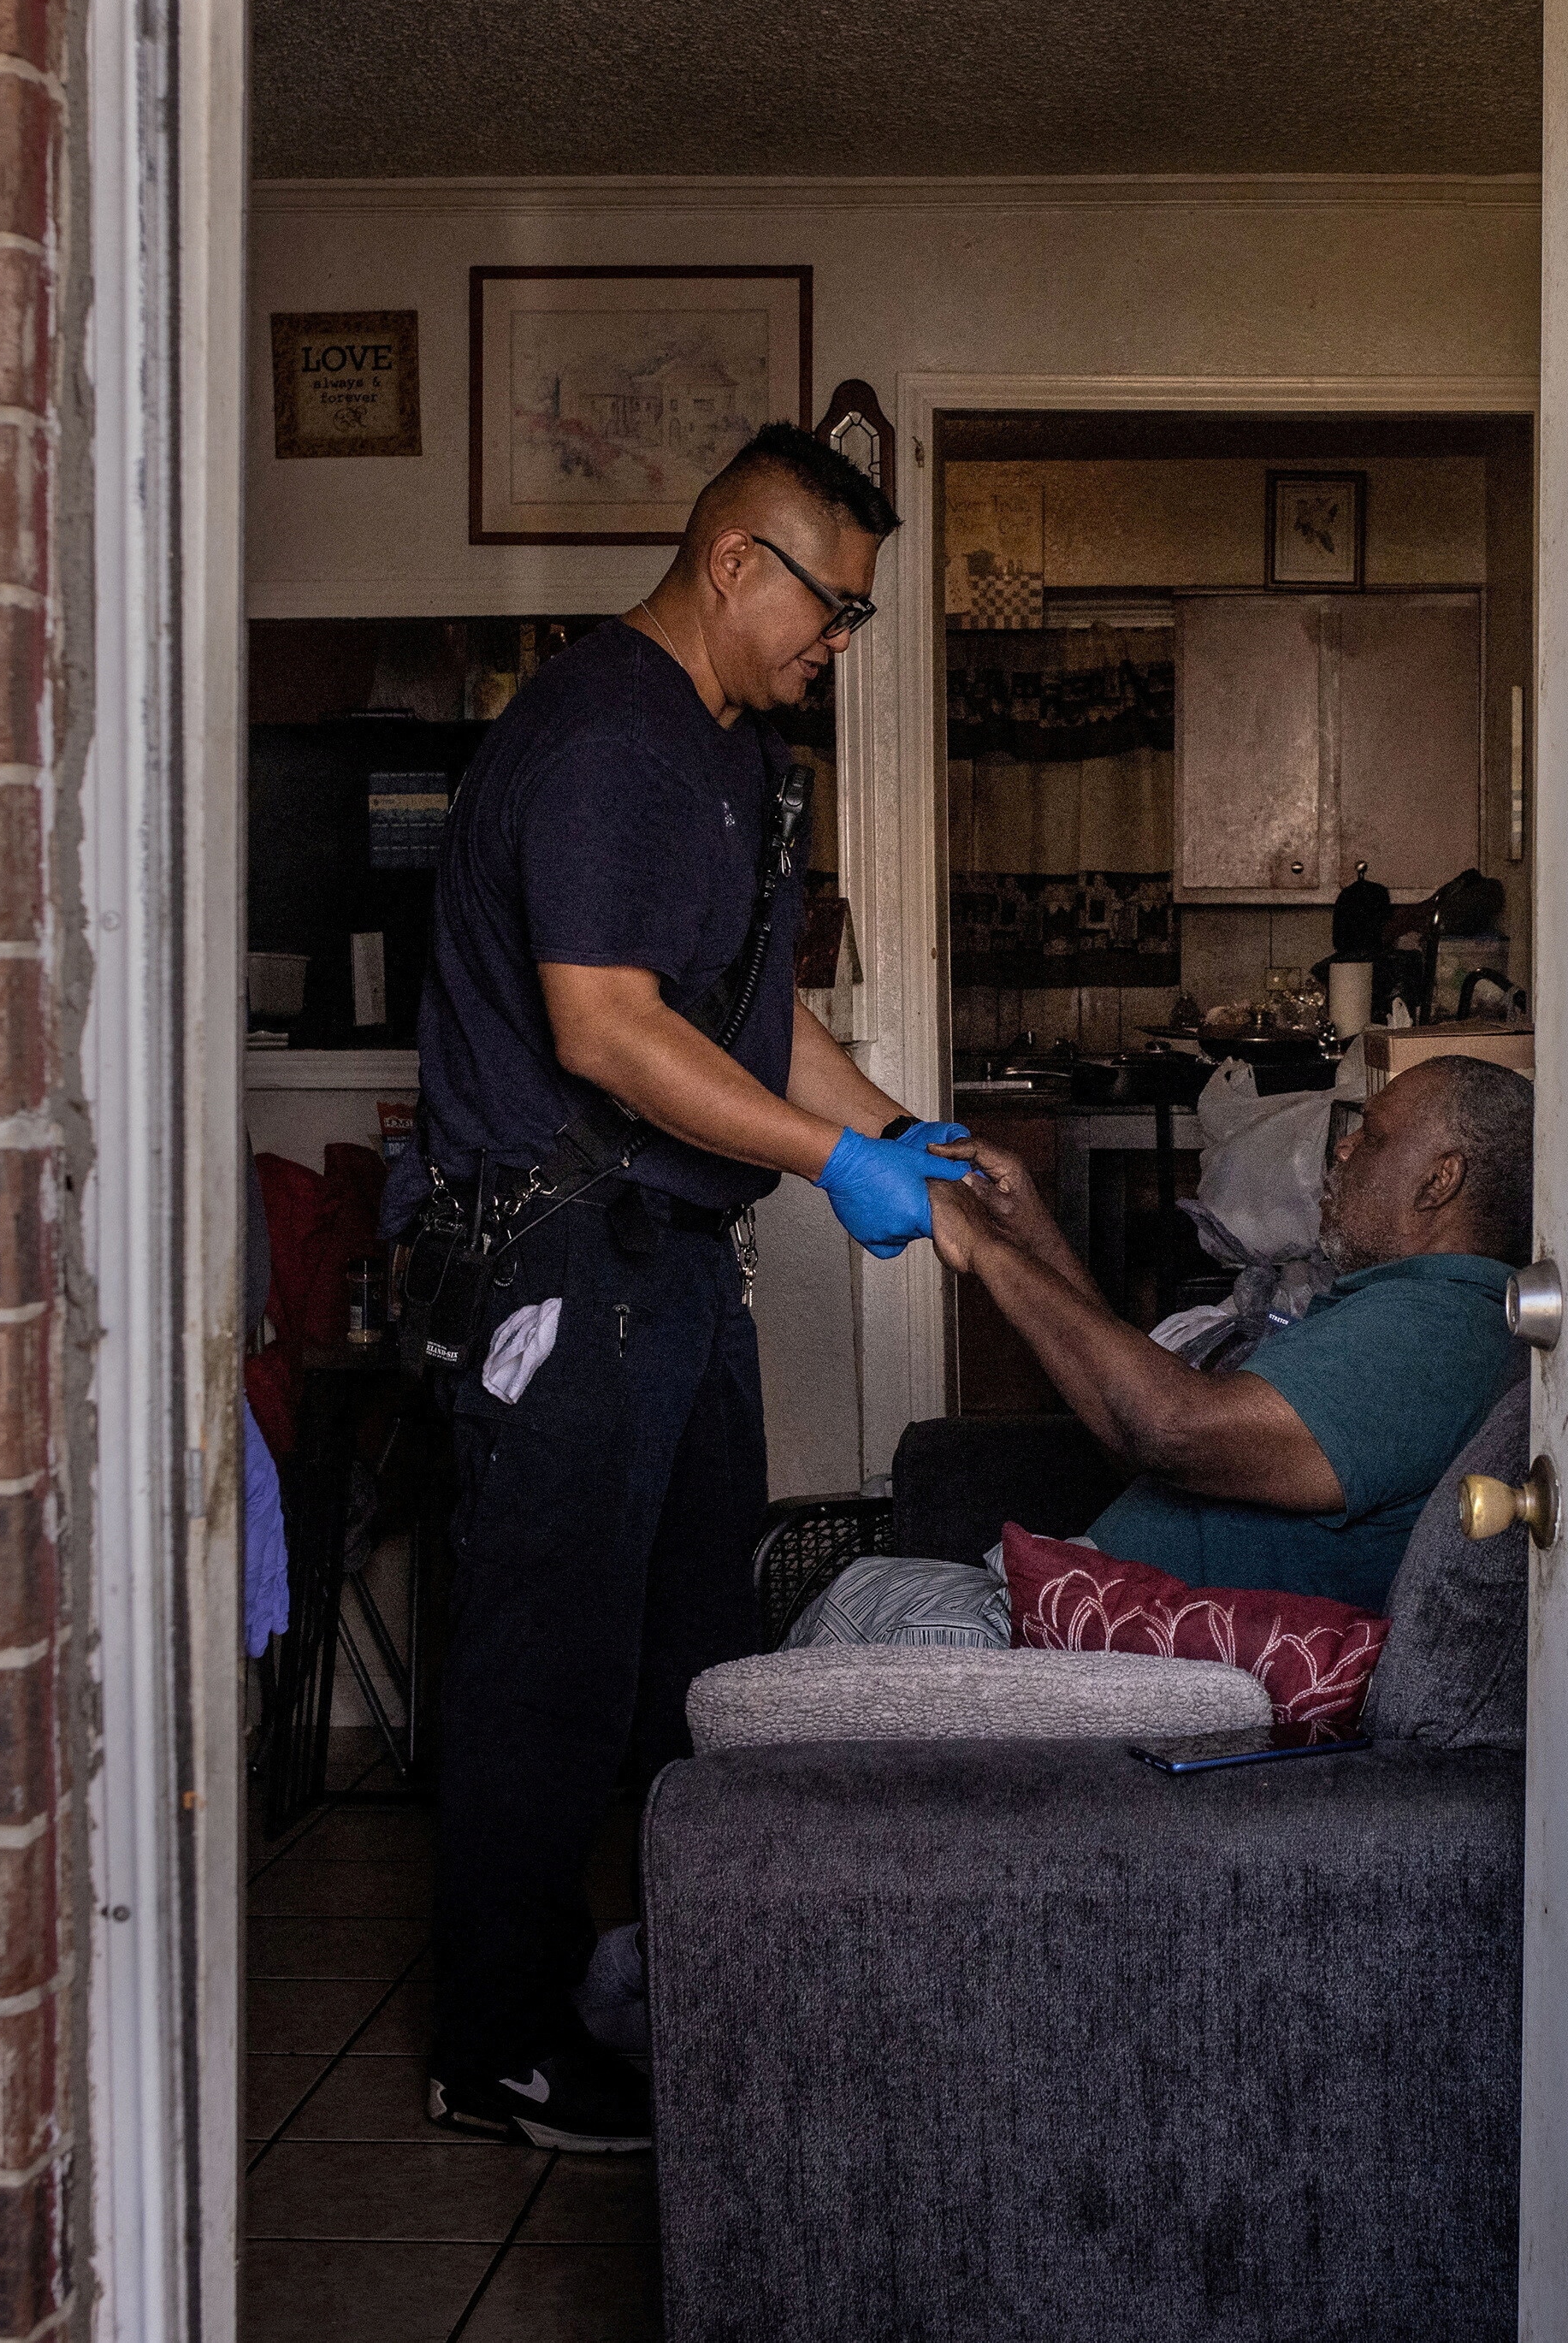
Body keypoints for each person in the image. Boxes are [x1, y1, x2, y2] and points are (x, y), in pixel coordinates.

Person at [411, 423, 971, 2155]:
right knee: (549, 1668)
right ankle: (493, 2042)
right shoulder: (606, 737)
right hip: (563, 1265)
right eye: (834, 603)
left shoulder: (732, 752)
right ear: (735, 561)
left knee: (691, 1652)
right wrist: (831, 1168)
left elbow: (741, 1021)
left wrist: (898, 1129)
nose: (843, 640)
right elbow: (607, 1029)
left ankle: (658, 1988)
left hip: (673, 1273)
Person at [929, 1055, 1532, 1609]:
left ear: (1439, 1180)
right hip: (1088, 1606)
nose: (1343, 1149)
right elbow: (1144, 1434)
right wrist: (1029, 1236)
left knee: (853, 1611)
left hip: (1114, 1651)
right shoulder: (1416, 1309)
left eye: (1371, 1135)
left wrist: (983, 1247)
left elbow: (1168, 1429)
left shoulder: (1430, 1333)